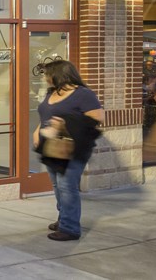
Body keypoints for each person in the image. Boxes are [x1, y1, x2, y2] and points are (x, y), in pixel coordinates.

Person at [33, 59, 104, 241]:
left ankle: (70, 228)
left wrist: (66, 122)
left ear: (58, 74)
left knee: (67, 186)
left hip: (72, 147)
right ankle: (64, 218)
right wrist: (36, 133)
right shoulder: (52, 93)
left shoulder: (83, 94)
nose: (45, 77)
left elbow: (97, 119)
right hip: (51, 146)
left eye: (47, 74)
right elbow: (45, 116)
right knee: (57, 185)